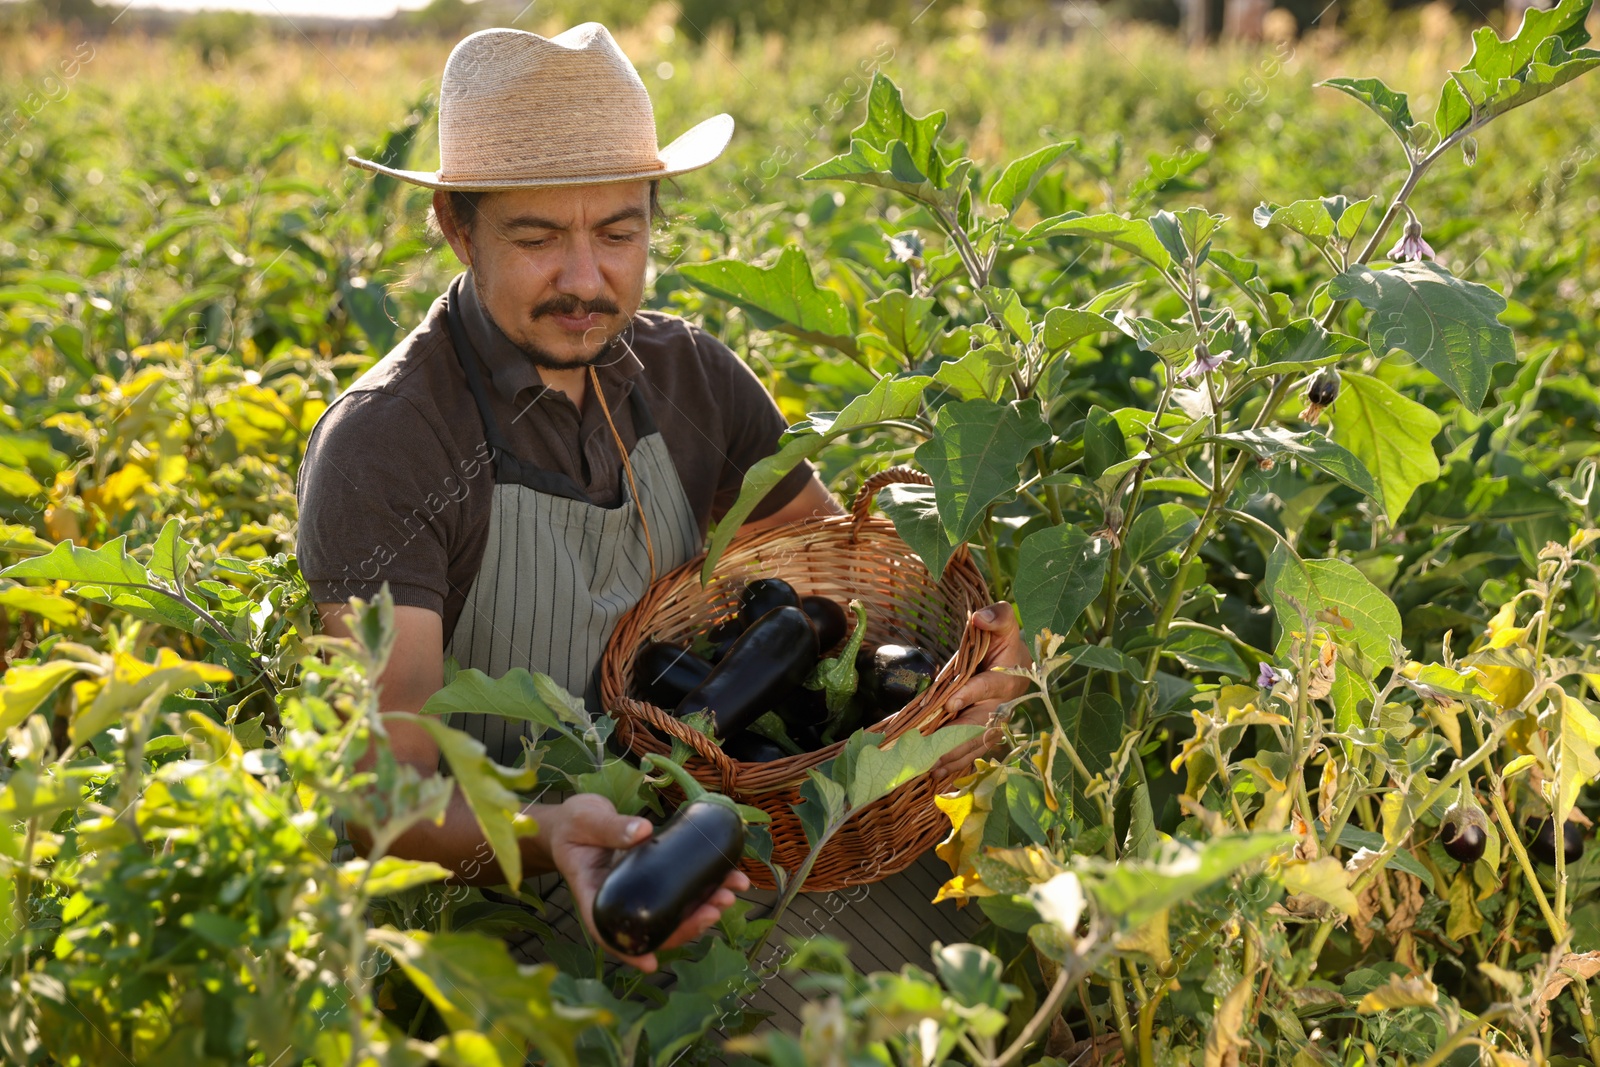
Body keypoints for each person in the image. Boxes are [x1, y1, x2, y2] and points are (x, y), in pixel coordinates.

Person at [295, 22, 1029, 1008]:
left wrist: (964, 666)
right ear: (455, 227)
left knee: (1010, 977)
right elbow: (381, 795)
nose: (585, 281)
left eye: (618, 233)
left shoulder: (693, 377)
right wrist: (547, 831)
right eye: (537, 238)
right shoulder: (391, 443)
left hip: (757, 845)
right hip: (521, 905)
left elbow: (842, 601)